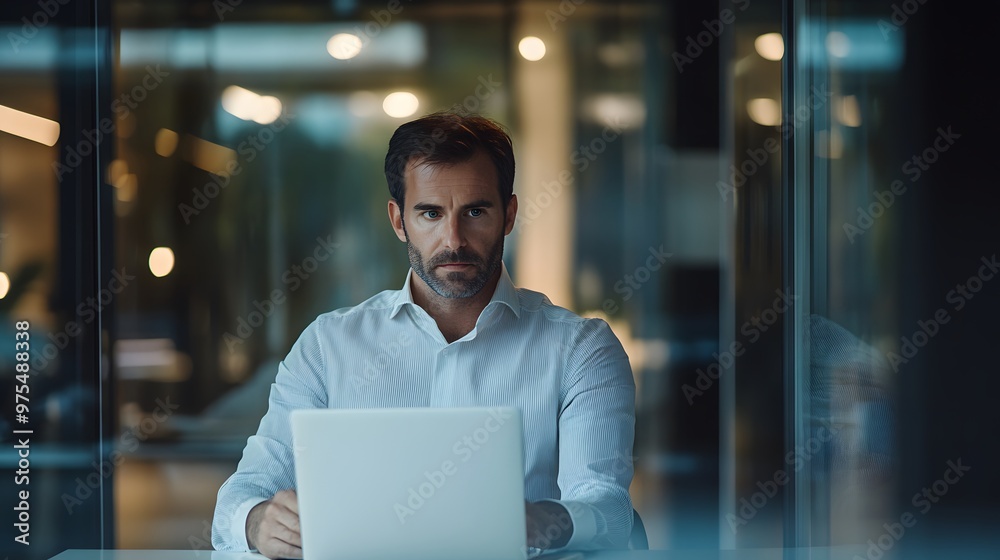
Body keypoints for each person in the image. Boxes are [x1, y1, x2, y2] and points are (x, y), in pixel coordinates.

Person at [211, 111, 636, 558]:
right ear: (398, 221)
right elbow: (241, 497)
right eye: (431, 213)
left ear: (509, 215)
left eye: (475, 211)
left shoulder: (581, 350)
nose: (453, 239)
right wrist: (258, 522)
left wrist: (542, 521)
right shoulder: (327, 346)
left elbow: (609, 509)